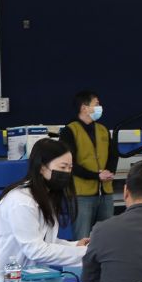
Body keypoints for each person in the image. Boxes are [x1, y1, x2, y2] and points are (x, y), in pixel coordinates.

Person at [0, 138, 86, 270]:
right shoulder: (21, 201)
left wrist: (76, 246)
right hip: (3, 278)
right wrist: (86, 253)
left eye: (70, 168)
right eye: (62, 167)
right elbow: (35, 250)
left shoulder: (46, 197)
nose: (67, 172)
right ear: (42, 168)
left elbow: (44, 241)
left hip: (25, 277)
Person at [60, 90, 119, 240]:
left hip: (105, 192)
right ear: (84, 108)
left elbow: (114, 153)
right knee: (82, 238)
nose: (100, 107)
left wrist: (109, 171)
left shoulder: (103, 129)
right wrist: (96, 176)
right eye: (96, 104)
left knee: (108, 237)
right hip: (81, 194)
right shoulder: (69, 130)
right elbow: (69, 162)